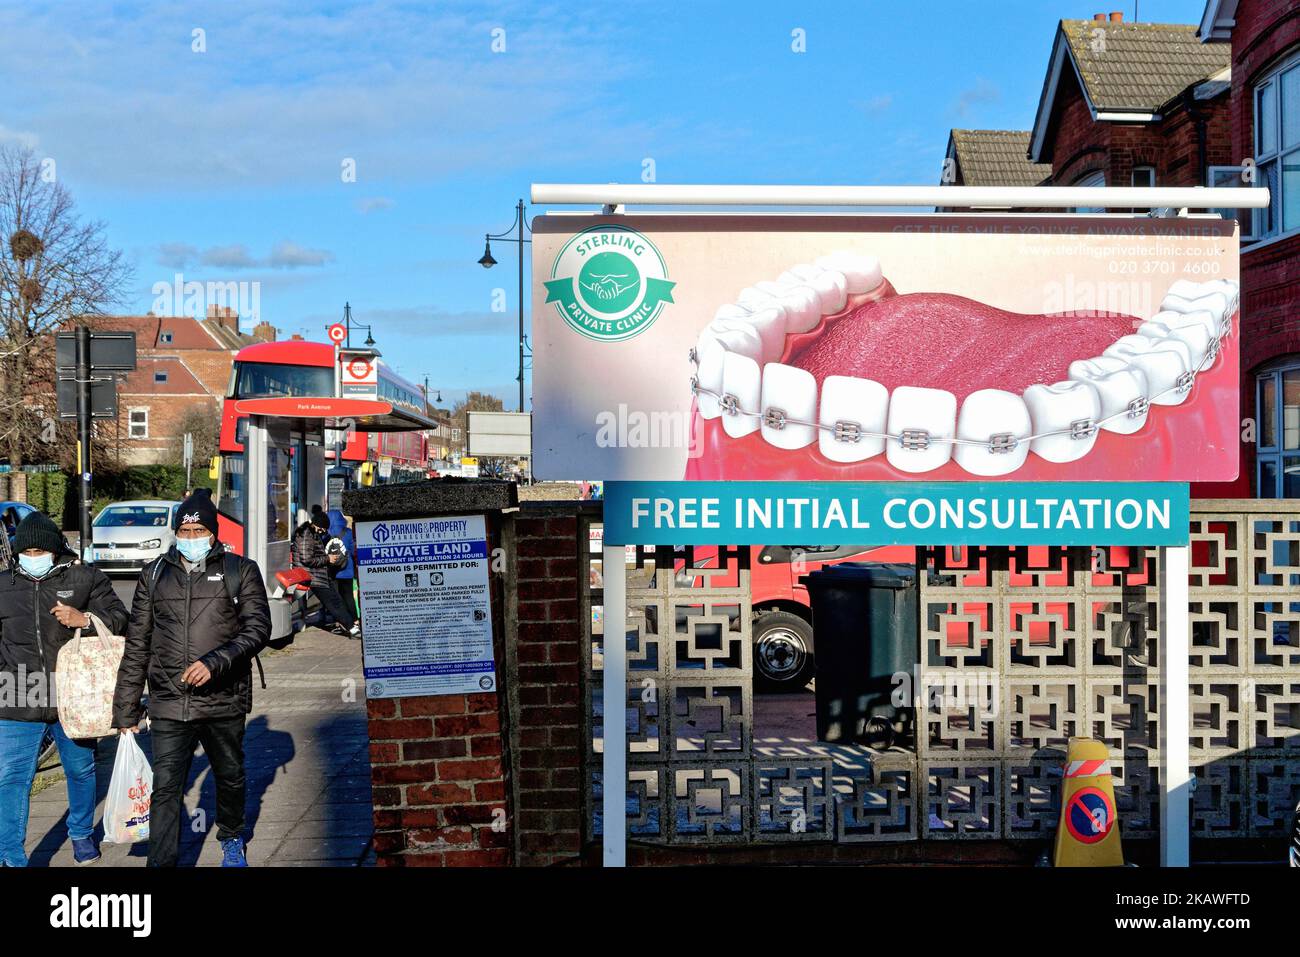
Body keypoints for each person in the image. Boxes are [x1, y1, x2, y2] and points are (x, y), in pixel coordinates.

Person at [112, 489, 271, 867]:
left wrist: (215, 662)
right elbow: (138, 643)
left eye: (200, 531)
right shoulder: (154, 574)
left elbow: (257, 629)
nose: (192, 538)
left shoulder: (240, 570)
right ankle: (161, 862)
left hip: (223, 697)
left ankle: (231, 836)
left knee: (229, 776)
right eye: (186, 531)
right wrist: (125, 709)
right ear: (175, 534)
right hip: (169, 700)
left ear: (213, 534)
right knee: (165, 788)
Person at [0, 510, 128, 867]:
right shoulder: (3, 585)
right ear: (17, 551)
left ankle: (81, 834)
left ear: (56, 551)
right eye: (29, 552)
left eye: (42, 552)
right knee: (10, 777)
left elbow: (120, 618)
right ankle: (10, 855)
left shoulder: (84, 578)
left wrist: (85, 620)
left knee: (80, 769)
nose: (34, 558)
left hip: (75, 691)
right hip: (16, 691)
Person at [293, 509, 358, 638]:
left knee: (337, 599)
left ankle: (350, 625)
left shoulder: (311, 533)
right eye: (322, 529)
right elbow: (307, 559)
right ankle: (351, 627)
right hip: (312, 575)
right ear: (317, 525)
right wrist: (328, 558)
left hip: (317, 574)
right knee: (333, 601)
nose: (323, 532)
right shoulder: (307, 534)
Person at [326, 508, 358, 625]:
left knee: (336, 597)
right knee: (348, 596)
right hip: (347, 568)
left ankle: (339, 621)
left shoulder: (326, 534)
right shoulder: (348, 532)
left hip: (332, 569)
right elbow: (352, 551)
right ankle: (354, 620)